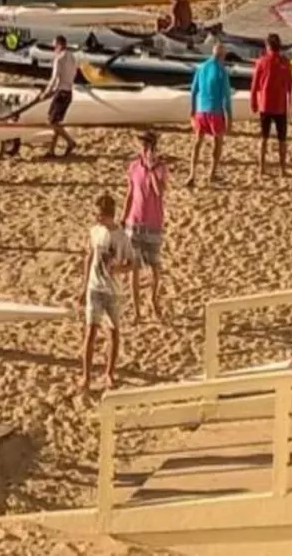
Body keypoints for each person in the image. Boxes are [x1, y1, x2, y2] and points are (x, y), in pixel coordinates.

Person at [80, 194, 131, 393]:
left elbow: (131, 263)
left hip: (113, 290)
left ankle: (109, 373)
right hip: (95, 287)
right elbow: (89, 257)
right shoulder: (94, 232)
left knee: (113, 333)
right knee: (90, 333)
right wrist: (84, 287)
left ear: (105, 215)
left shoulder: (121, 237)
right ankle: (86, 376)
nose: (95, 217)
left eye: (98, 214)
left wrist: (119, 270)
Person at [123, 131, 168, 322]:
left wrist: (151, 169)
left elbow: (160, 192)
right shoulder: (133, 166)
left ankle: (153, 300)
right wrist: (123, 217)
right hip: (135, 222)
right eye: (140, 145)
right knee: (133, 267)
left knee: (154, 268)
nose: (142, 149)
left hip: (153, 222)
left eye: (145, 145)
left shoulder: (161, 167)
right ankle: (136, 311)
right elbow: (130, 193)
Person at [186, 39, 232, 186]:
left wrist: (192, 111)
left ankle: (192, 173)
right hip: (215, 111)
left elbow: (193, 91)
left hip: (201, 110)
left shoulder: (201, 67)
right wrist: (229, 117)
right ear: (222, 55)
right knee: (218, 142)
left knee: (198, 142)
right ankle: (211, 174)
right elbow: (226, 96)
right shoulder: (221, 71)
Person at [249, 33, 292, 178]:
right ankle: (282, 169)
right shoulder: (285, 62)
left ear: (267, 46)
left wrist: (253, 102)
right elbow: (290, 86)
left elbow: (255, 84)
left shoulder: (261, 62)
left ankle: (262, 168)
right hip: (280, 105)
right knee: (282, 139)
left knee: (264, 138)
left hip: (265, 105)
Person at [41, 34, 78, 158]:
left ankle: (70, 142)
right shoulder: (72, 57)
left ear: (59, 45)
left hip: (61, 93)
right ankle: (51, 150)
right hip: (69, 93)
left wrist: (46, 92)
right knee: (56, 123)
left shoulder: (59, 59)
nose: (53, 49)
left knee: (51, 121)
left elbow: (54, 78)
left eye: (54, 46)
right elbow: (72, 74)